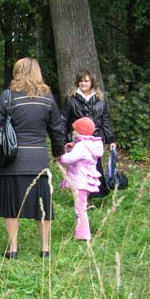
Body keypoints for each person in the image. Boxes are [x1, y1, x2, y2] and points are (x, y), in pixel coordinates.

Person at [0, 58, 65, 259]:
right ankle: (45, 249)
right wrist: (58, 154)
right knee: (42, 207)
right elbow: (57, 129)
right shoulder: (47, 98)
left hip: (12, 161)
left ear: (17, 71)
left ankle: (13, 249)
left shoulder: (7, 97)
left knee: (11, 207)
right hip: (38, 160)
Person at [61, 70, 116, 206]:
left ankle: (89, 200)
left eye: (86, 81)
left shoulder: (100, 99)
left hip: (96, 141)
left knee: (93, 170)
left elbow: (106, 119)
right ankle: (82, 200)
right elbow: (63, 120)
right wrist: (62, 141)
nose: (83, 83)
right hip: (77, 141)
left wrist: (111, 140)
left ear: (92, 82)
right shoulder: (71, 99)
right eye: (81, 81)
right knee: (79, 170)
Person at [60, 117, 103, 241]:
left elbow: (70, 159)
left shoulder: (82, 146)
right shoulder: (91, 145)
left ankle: (83, 235)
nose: (73, 132)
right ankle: (80, 232)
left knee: (80, 209)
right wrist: (70, 148)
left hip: (80, 181)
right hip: (87, 180)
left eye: (75, 130)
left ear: (80, 132)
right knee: (81, 207)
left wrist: (61, 157)